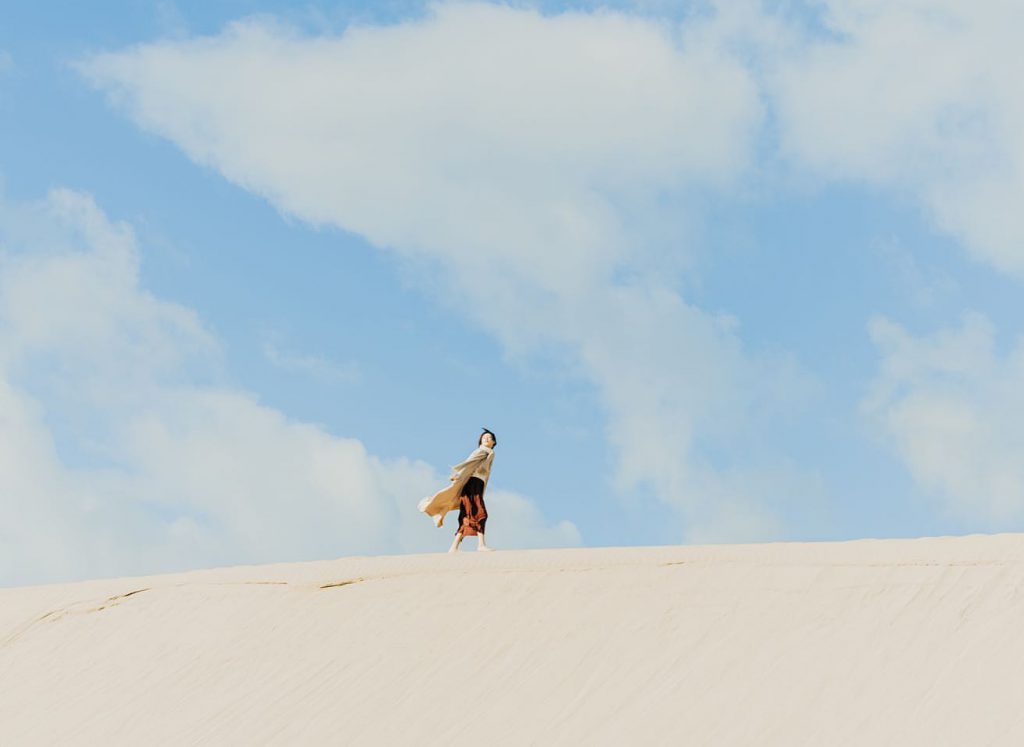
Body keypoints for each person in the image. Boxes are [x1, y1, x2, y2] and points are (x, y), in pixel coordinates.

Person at [417, 429, 497, 552]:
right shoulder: (481, 451)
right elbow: (468, 464)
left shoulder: (488, 453)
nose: (486, 438)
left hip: (477, 486)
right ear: (480, 441)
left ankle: (453, 547)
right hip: (471, 485)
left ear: (494, 442)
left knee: (467, 515)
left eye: (489, 437)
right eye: (484, 437)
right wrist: (458, 475)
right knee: (481, 514)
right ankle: (481, 545)